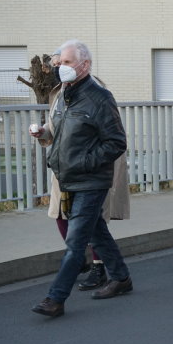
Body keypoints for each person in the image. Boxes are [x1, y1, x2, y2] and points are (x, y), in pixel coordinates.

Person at [30, 39, 132, 317]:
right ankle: (121, 277)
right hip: (68, 177)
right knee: (96, 230)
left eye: (66, 62)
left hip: (91, 179)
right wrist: (44, 135)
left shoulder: (100, 98)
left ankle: (56, 298)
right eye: (59, 62)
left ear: (84, 65)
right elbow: (63, 133)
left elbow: (116, 142)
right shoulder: (64, 95)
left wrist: (85, 163)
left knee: (76, 242)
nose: (60, 68)